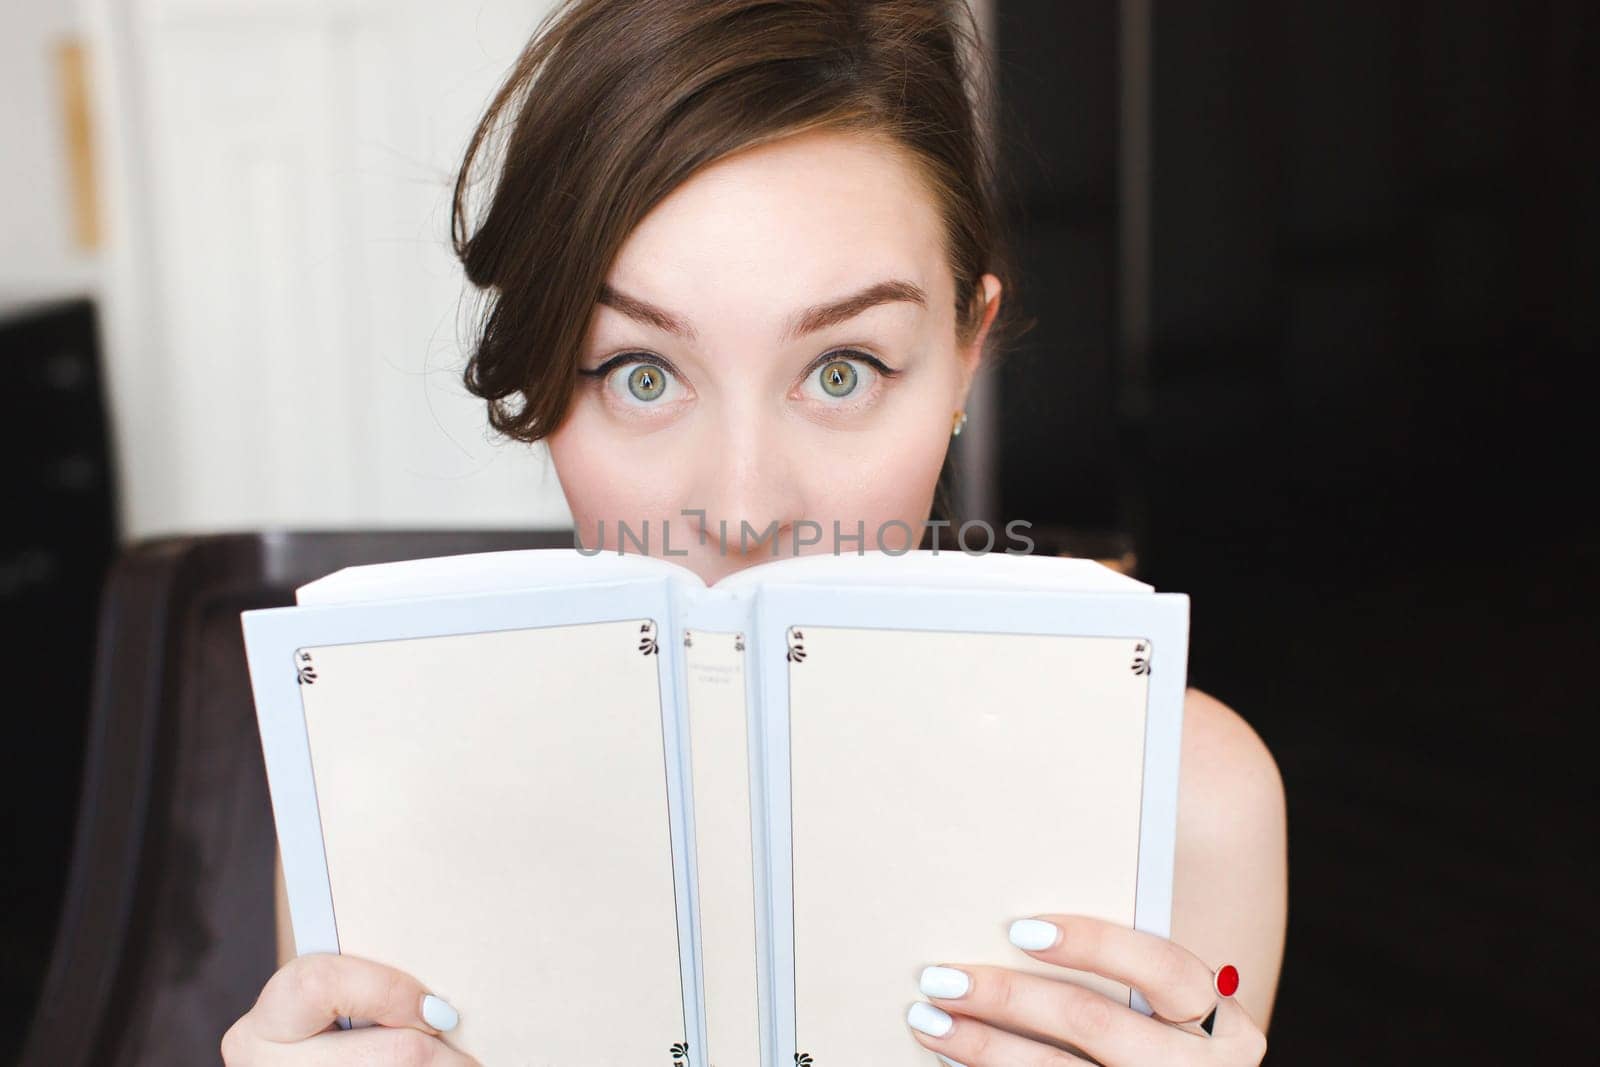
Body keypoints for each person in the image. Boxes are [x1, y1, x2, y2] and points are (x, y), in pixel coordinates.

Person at [222, 2, 1287, 1063]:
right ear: (546, 383)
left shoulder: (1187, 798)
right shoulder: (375, 789)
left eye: (840, 371)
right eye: (641, 374)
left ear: (966, 353)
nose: (741, 506)